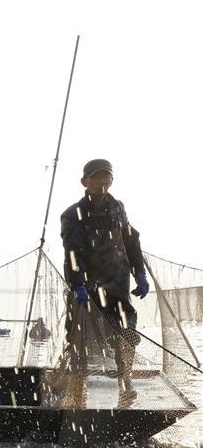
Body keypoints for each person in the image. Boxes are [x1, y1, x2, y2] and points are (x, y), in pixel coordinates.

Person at [60, 159, 148, 407]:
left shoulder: (118, 207)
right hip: (87, 290)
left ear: (112, 179)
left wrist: (139, 272)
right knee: (80, 343)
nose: (102, 182)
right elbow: (73, 252)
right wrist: (77, 284)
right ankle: (78, 398)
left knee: (128, 333)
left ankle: (125, 386)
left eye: (106, 177)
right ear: (84, 181)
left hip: (118, 286)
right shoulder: (72, 214)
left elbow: (131, 241)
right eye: (96, 177)